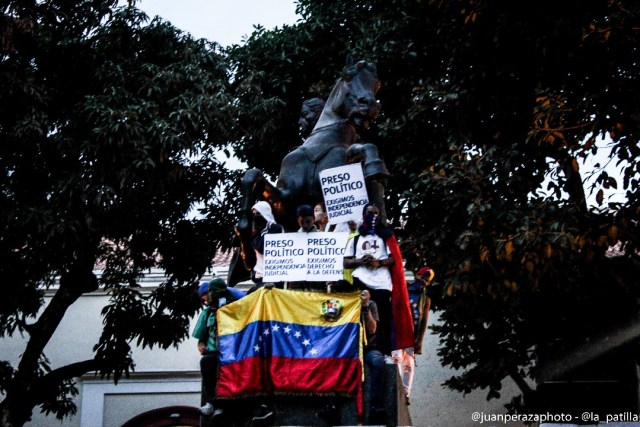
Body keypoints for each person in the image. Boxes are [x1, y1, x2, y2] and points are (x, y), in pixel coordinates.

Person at [343, 203, 414, 357]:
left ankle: (385, 354)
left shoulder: (386, 236)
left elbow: (393, 258)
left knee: (383, 319)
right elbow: (346, 262)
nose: (373, 216)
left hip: (382, 283)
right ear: (363, 215)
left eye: (376, 213)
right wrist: (361, 261)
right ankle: (360, 350)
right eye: (369, 213)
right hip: (360, 280)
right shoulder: (356, 239)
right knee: (360, 316)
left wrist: (379, 263)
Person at [193, 278, 244, 419]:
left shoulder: (232, 307)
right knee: (207, 364)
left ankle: (224, 406)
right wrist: (202, 346)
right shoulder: (207, 313)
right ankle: (210, 403)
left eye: (206, 298)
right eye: (203, 300)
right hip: (214, 352)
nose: (206, 302)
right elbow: (200, 339)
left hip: (232, 352)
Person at [391, 266, 435, 405]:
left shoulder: (425, 299)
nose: (424, 281)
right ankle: (394, 388)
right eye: (422, 277)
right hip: (397, 331)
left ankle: (405, 393)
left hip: (411, 334)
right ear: (417, 275)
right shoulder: (404, 290)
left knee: (409, 364)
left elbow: (424, 321)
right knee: (396, 359)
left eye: (427, 281)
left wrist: (419, 341)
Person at [248, 201, 285, 291]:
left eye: (258, 213)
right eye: (254, 214)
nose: (256, 216)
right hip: (260, 275)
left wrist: (256, 234)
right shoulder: (257, 231)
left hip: (273, 276)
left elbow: (261, 247)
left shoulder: (275, 228)